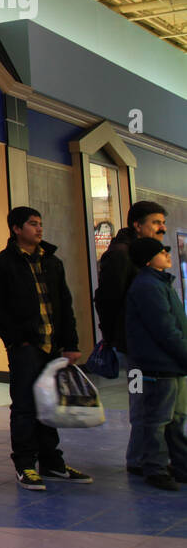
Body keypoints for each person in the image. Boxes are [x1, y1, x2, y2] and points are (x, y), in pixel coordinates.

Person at [0, 206, 92, 491]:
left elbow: (64, 305)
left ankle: (52, 462)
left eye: (40, 224)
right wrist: (16, 338)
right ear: (16, 229)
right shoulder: (3, 264)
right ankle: (25, 465)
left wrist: (71, 344)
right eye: (32, 224)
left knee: (49, 404)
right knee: (23, 405)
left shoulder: (52, 262)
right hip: (25, 347)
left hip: (52, 345)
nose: (39, 229)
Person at [93, 200, 168, 475]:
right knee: (140, 399)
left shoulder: (139, 253)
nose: (162, 228)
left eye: (162, 222)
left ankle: (143, 456)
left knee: (150, 400)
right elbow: (107, 298)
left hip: (144, 343)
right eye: (156, 222)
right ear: (138, 225)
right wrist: (113, 337)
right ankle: (138, 459)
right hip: (131, 344)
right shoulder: (120, 255)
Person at [123, 237, 187, 491]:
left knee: (175, 419)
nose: (167, 254)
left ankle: (180, 467)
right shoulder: (148, 286)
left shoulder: (160, 283)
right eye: (162, 252)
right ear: (149, 260)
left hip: (171, 365)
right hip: (158, 366)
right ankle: (155, 469)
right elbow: (165, 330)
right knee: (158, 420)